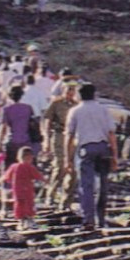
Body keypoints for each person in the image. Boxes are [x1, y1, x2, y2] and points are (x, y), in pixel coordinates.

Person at [64, 82, 117, 230]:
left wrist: (67, 158)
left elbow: (69, 136)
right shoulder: (103, 109)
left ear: (79, 95)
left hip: (85, 149)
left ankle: (88, 220)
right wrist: (115, 156)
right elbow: (111, 134)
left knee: (86, 186)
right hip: (103, 148)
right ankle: (101, 218)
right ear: (94, 94)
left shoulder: (75, 111)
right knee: (103, 185)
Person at [43, 80, 81, 210]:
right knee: (59, 166)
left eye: (72, 90)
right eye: (68, 90)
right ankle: (51, 195)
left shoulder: (77, 106)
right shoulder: (56, 103)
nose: (70, 93)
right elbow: (47, 120)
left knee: (73, 169)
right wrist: (46, 139)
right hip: (59, 135)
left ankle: (66, 201)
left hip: (72, 137)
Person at [2, 145, 43, 229]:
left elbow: (6, 177)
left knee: (20, 204)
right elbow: (38, 176)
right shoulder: (29, 167)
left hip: (19, 190)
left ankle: (22, 220)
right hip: (26, 190)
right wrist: (45, 180)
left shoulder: (14, 167)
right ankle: (27, 220)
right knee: (28, 204)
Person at [0, 85, 36, 169]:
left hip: (12, 141)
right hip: (26, 141)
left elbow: (3, 128)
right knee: (26, 167)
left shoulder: (7, 109)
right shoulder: (28, 108)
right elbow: (32, 124)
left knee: (9, 167)